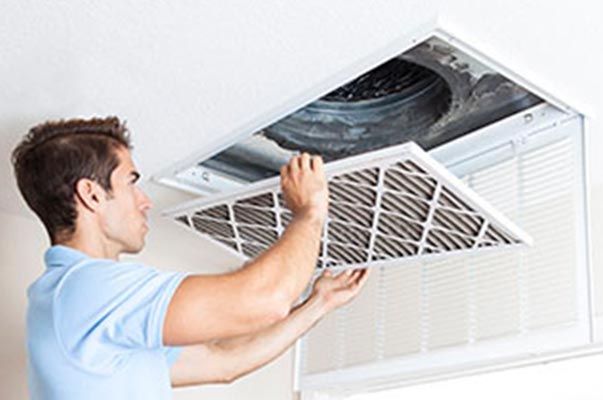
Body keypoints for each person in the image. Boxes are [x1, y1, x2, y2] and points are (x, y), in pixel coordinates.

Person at [11, 116, 369, 399]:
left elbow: (223, 361)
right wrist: (310, 212)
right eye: (131, 182)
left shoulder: (83, 304)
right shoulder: (87, 289)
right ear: (91, 194)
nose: (145, 200)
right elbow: (266, 301)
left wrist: (318, 303)